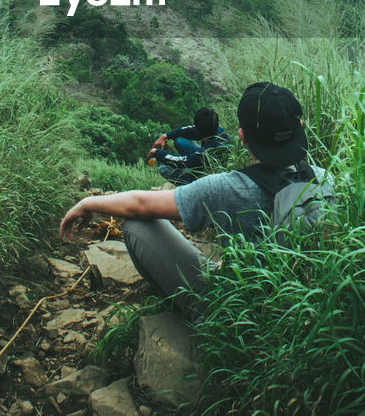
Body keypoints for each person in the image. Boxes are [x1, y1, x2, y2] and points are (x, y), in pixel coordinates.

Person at [59, 81, 327, 320]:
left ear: (242, 137)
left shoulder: (227, 187)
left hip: (237, 315)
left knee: (136, 224)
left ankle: (188, 315)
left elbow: (141, 205)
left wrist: (87, 203)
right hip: (304, 311)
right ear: (299, 128)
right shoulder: (327, 179)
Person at [147, 107, 231, 185]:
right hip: (203, 161)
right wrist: (165, 136)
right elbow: (187, 130)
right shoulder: (217, 130)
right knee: (179, 140)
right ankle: (191, 170)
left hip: (205, 176)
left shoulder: (204, 154)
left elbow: (181, 161)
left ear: (199, 131)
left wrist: (157, 153)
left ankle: (190, 184)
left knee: (163, 168)